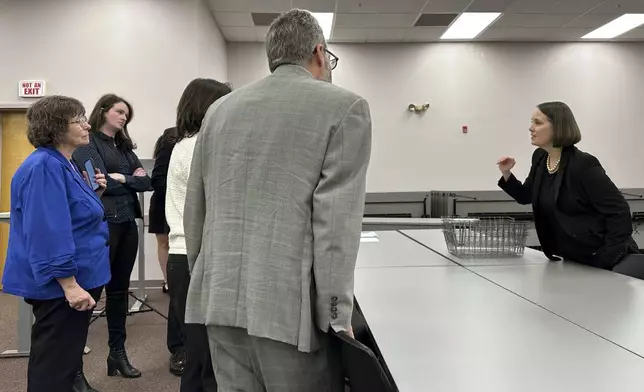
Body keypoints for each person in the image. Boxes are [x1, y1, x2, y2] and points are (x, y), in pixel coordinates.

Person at [183, 9, 372, 392]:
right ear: (319, 53)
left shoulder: (219, 110)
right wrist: (337, 316)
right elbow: (334, 226)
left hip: (218, 300)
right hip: (290, 316)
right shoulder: (345, 107)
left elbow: (195, 213)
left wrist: (205, 281)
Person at [2, 95, 109, 392]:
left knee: (63, 360)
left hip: (74, 278)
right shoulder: (44, 167)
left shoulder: (66, 163)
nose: (88, 125)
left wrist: (94, 195)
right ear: (56, 127)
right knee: (54, 366)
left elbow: (70, 214)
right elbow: (47, 230)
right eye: (79, 119)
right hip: (59, 287)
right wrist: (69, 284)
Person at [497, 101, 639, 272]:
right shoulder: (541, 157)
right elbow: (526, 195)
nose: (531, 128)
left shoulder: (583, 164)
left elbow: (619, 212)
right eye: (532, 121)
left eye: (538, 122)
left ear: (558, 127)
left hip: (600, 259)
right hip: (570, 258)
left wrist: (605, 258)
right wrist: (506, 174)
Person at [73, 93, 151, 378]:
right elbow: (97, 182)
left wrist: (122, 179)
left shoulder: (124, 146)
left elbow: (147, 181)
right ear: (104, 111)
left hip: (128, 224)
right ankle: (75, 369)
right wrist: (127, 180)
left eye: (127, 115)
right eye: (119, 112)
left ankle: (117, 355)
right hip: (102, 225)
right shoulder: (88, 142)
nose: (124, 117)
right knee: (92, 293)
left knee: (119, 292)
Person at [166, 78, 231, 392]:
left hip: (188, 258)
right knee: (206, 360)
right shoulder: (197, 146)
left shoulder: (188, 144)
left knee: (200, 358)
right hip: (194, 257)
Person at [149, 127, 185, 375]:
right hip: (167, 204)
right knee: (167, 246)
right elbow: (158, 179)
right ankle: (168, 280)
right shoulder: (172, 137)